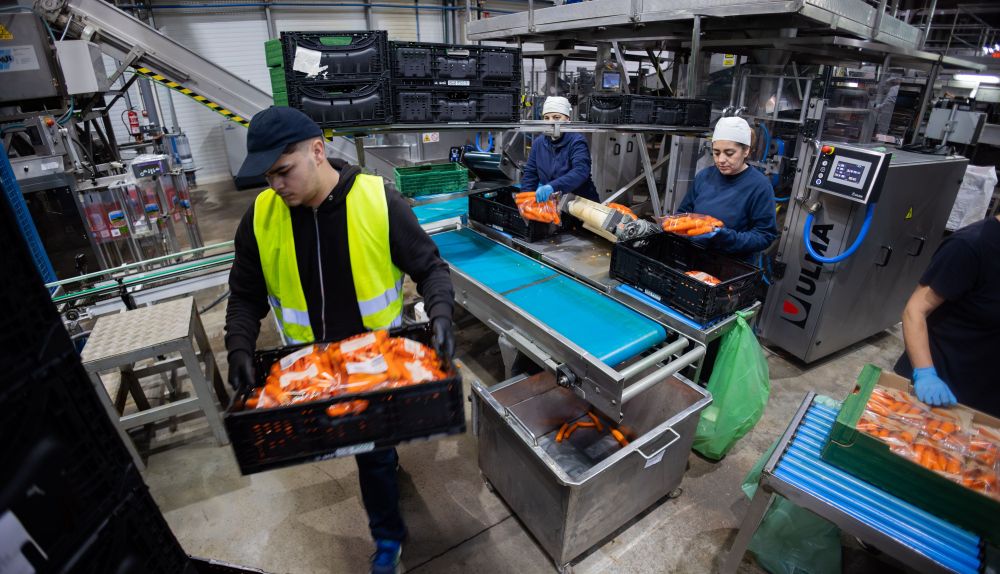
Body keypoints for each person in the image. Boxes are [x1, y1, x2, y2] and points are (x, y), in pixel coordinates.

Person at [224, 106, 455, 574]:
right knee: (356, 449)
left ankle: (388, 539)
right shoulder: (260, 218)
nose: (276, 186)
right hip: (310, 375)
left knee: (370, 455)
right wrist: (239, 345)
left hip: (375, 365)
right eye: (268, 177)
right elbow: (244, 296)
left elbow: (430, 268)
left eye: (283, 172)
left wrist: (442, 313)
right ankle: (385, 484)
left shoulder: (377, 200)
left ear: (317, 150)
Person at [894, 214, 1000, 417]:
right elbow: (915, 310)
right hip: (942, 391)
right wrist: (925, 374)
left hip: (988, 396)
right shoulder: (969, 246)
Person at [676, 116, 778, 262]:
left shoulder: (759, 186)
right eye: (716, 153)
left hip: (730, 266)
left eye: (729, 153)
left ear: (746, 151)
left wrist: (725, 237)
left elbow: (764, 236)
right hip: (694, 257)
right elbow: (683, 213)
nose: (721, 160)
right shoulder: (704, 176)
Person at [522, 96, 599, 203]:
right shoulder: (539, 143)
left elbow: (580, 171)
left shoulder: (576, 141)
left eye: (556, 117)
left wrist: (552, 187)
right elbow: (530, 173)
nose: (551, 122)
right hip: (555, 203)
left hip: (579, 204)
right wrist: (525, 199)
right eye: (546, 118)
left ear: (567, 119)